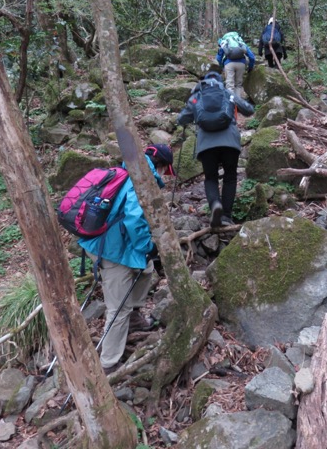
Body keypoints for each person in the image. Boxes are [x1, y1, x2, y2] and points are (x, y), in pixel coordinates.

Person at [78, 144, 174, 375]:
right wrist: (147, 246)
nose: (164, 177)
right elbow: (133, 219)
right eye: (165, 171)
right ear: (160, 165)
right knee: (117, 308)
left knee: (148, 270)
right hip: (111, 250)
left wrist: (146, 251)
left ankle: (133, 316)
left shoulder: (129, 172)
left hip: (114, 243)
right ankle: (109, 363)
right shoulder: (139, 180)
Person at [177, 72, 254, 228]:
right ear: (220, 82)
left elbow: (181, 119)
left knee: (211, 178)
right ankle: (225, 215)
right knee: (230, 177)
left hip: (206, 144)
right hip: (230, 142)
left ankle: (215, 205)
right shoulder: (226, 92)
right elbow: (248, 109)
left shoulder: (197, 96)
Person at [216, 32, 256, 98]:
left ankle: (230, 105)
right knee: (238, 85)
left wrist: (222, 66)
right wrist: (250, 68)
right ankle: (237, 105)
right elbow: (251, 57)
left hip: (229, 64)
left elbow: (218, 58)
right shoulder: (240, 42)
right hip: (241, 64)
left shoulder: (225, 43)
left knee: (230, 85)